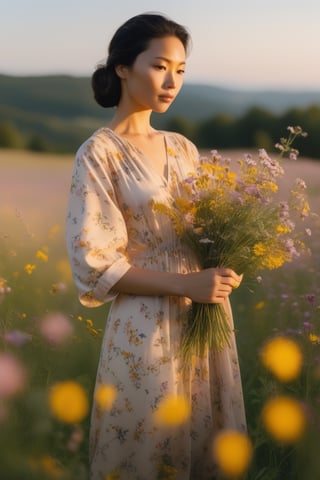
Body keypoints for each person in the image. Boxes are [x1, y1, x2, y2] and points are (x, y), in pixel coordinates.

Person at [66, 12, 246, 480]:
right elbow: (94, 262)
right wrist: (186, 282)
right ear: (123, 67)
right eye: (160, 65)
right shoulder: (98, 152)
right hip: (144, 323)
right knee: (145, 448)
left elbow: (207, 232)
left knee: (206, 435)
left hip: (204, 313)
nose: (172, 81)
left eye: (181, 70)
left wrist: (225, 265)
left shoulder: (183, 148)